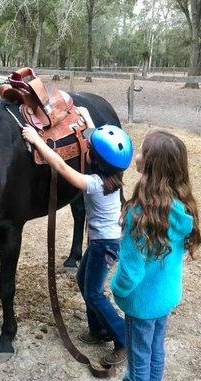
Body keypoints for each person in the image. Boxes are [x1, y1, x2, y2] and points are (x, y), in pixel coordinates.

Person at [21, 110, 133, 366]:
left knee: (94, 293)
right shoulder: (114, 176)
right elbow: (94, 137)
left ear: (93, 159)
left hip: (104, 244)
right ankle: (99, 330)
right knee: (84, 282)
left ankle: (123, 337)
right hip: (102, 242)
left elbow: (60, 166)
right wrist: (85, 116)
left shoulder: (94, 183)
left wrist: (37, 141)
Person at [111, 128, 201, 381]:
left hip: (141, 305)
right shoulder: (180, 208)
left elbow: (130, 272)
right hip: (164, 298)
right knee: (154, 354)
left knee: (137, 366)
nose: (135, 155)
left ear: (150, 164)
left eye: (140, 151)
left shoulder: (138, 215)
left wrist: (117, 290)